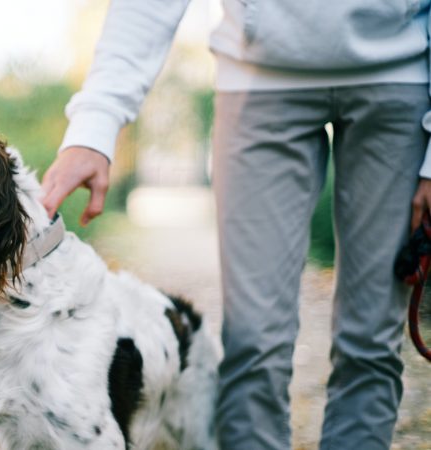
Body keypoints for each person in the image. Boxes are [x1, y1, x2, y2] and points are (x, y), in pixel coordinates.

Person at [40, 1, 431, 449]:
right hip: (258, 78)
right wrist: (94, 126)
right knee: (254, 344)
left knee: (372, 345)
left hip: (401, 78)